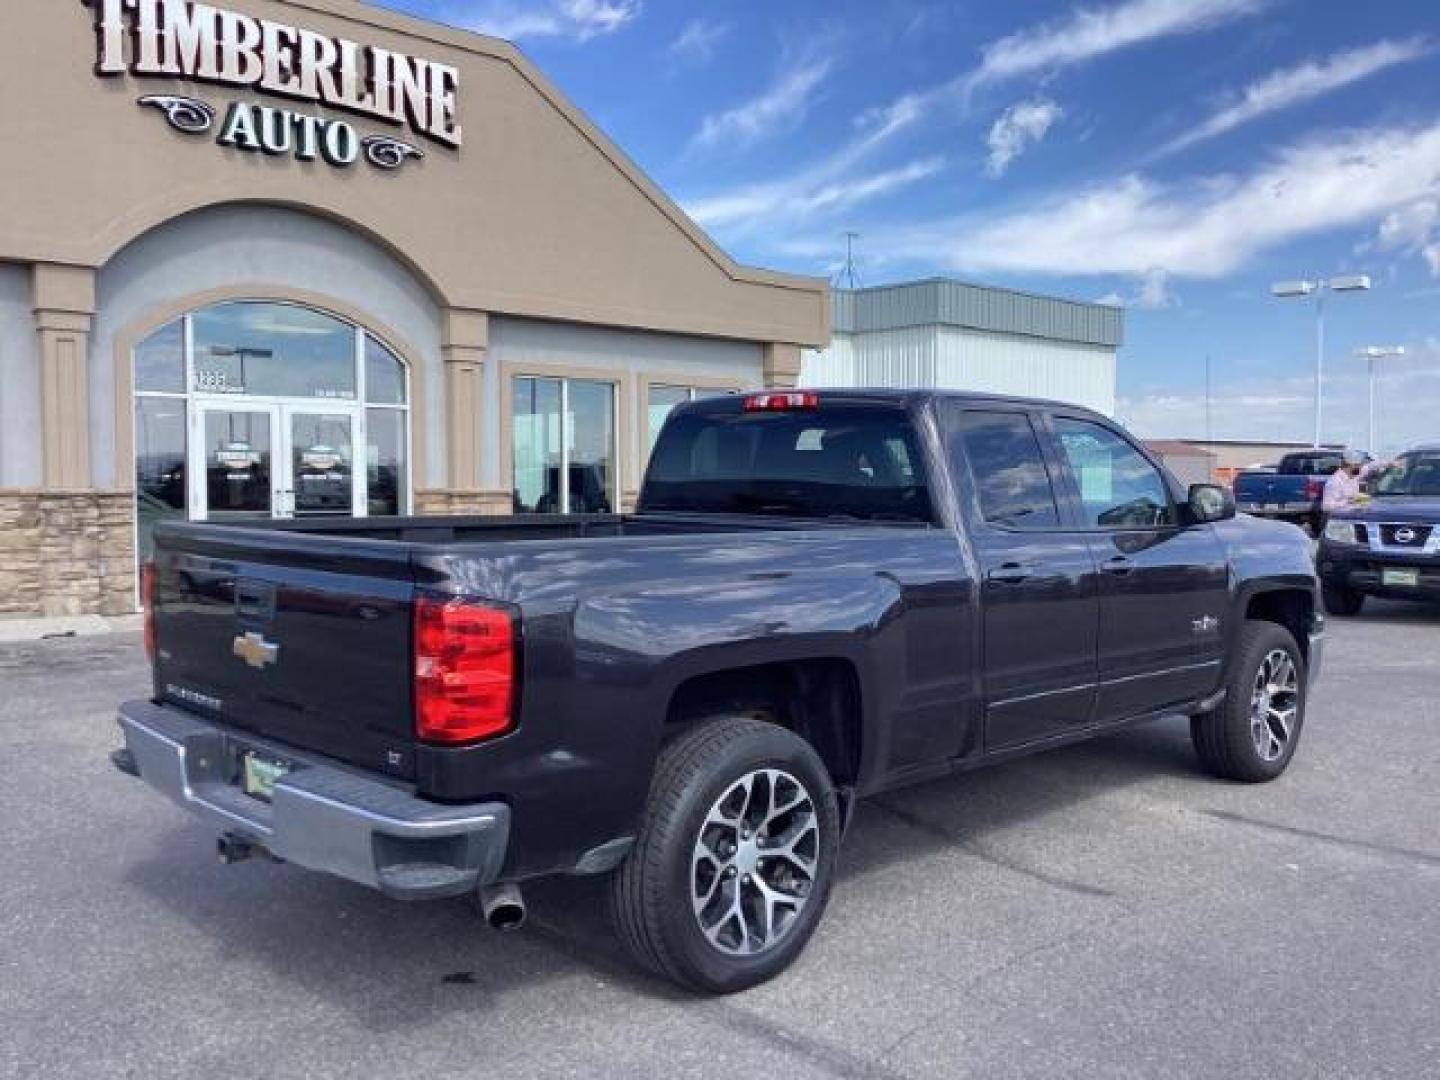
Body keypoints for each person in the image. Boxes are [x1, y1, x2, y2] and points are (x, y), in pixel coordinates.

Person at [1321, 451, 1385, 518]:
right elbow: (1326, 507)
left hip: (1357, 516)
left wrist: (1391, 463)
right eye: (1360, 465)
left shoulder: (1354, 476)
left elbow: (1370, 466)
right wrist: (1349, 501)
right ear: (1351, 465)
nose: (1361, 467)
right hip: (1342, 521)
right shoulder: (1335, 482)